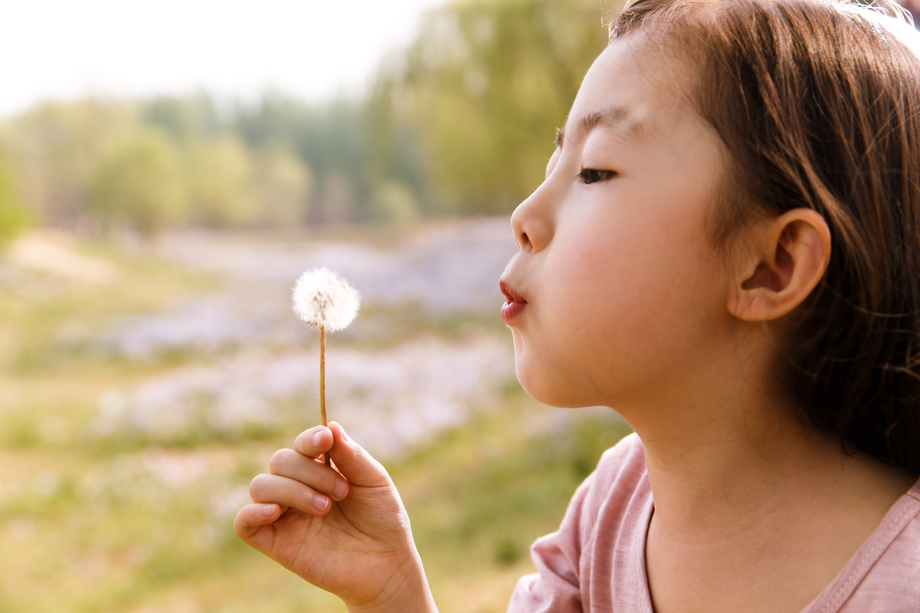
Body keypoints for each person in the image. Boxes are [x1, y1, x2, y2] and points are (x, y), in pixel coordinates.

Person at [233, 0, 920, 610]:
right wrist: (391, 594)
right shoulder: (606, 516)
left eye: (595, 170)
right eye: (552, 164)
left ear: (772, 266)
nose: (524, 214)